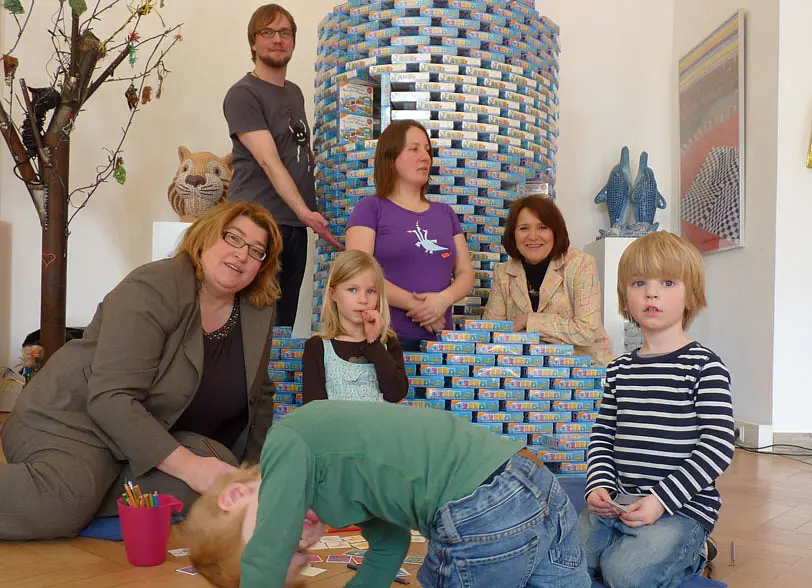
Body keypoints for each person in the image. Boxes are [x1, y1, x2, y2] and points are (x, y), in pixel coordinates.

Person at [0, 201, 281, 540]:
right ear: (205, 236)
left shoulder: (257, 309)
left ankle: (89, 495)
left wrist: (252, 478)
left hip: (150, 434)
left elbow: (259, 395)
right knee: (64, 501)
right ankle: (76, 497)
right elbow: (110, 398)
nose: (242, 254)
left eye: (256, 250)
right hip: (75, 421)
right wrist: (189, 467)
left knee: (218, 474)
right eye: (233, 237)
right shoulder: (155, 286)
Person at [184, 401, 591, 588]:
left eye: (276, 531)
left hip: (481, 508)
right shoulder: (341, 483)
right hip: (532, 480)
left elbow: (266, 556)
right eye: (301, 553)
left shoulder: (286, 444)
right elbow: (389, 542)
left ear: (236, 496)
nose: (297, 537)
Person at [577, 231, 735, 588]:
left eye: (667, 282)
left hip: (680, 508)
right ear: (625, 298)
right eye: (639, 282)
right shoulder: (618, 369)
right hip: (620, 501)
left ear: (690, 296)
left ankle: (696, 551)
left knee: (625, 573)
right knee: (568, 558)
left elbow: (717, 446)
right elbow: (602, 436)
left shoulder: (704, 366)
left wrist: (662, 501)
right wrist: (597, 485)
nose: (651, 292)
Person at [224, 4, 337, 328]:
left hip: (294, 225)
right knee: (249, 321)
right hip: (257, 222)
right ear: (253, 43)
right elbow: (269, 161)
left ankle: (269, 381)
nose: (277, 39)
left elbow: (298, 155)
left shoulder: (295, 93)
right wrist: (305, 212)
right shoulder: (242, 93)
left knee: (282, 324)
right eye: (268, 32)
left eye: (284, 33)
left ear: (293, 41)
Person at [345, 120, 474, 349]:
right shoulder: (370, 208)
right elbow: (357, 274)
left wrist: (443, 300)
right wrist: (423, 308)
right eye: (414, 149)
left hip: (440, 346)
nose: (425, 157)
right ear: (391, 157)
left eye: (427, 150)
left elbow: (465, 274)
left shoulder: (445, 213)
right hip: (384, 341)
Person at [483, 195, 613, 366]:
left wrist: (528, 321)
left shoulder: (580, 264)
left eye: (542, 227)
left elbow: (585, 331)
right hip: (524, 374)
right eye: (523, 228)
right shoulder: (503, 273)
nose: (532, 236)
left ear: (555, 231)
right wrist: (558, 333)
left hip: (583, 372)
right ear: (513, 234)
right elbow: (492, 333)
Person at [302, 250, 408, 404]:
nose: (363, 299)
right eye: (352, 290)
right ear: (333, 294)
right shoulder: (317, 347)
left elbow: (396, 394)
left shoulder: (388, 342)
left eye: (371, 291)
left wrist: (374, 342)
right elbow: (314, 410)